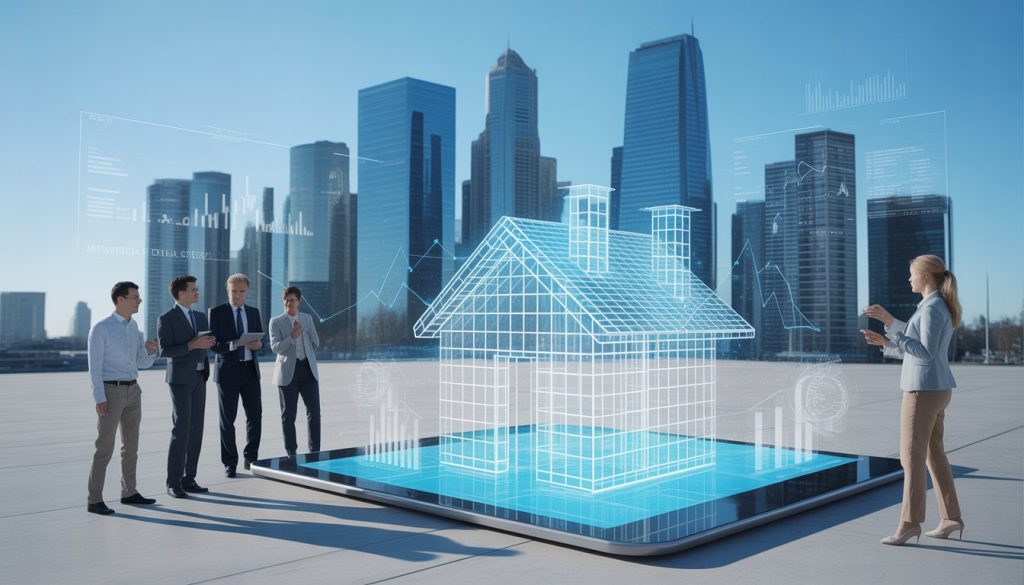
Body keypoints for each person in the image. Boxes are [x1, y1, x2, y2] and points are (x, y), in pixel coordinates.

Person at [861, 254, 964, 546]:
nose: (909, 279)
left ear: (927, 276)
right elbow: (917, 348)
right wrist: (888, 341)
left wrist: (892, 326)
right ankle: (951, 518)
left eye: (912, 274)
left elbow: (925, 352)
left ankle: (909, 524)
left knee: (911, 459)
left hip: (922, 392)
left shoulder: (932, 308)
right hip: (936, 388)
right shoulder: (934, 307)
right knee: (934, 455)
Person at [85, 281, 159, 515]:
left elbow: (141, 364)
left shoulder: (135, 328)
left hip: (133, 391)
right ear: (121, 299)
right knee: (104, 447)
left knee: (131, 447)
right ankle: (94, 499)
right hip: (111, 392)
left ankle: (129, 492)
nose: (139, 300)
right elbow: (94, 367)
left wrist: (151, 351)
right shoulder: (101, 328)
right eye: (135, 297)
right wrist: (99, 397)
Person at [158, 275, 215, 498]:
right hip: (180, 379)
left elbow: (206, 342)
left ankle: (189, 479)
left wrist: (210, 343)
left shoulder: (200, 317)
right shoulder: (166, 318)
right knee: (181, 429)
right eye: (193, 289)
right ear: (181, 294)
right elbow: (165, 351)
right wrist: (192, 345)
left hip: (200, 377)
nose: (197, 292)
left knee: (196, 430)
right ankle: (173, 482)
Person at [208, 274, 264, 477]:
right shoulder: (216, 312)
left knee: (255, 416)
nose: (237, 295)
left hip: (250, 370)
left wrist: (258, 345)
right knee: (227, 419)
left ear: (247, 292)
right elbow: (213, 345)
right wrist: (235, 343)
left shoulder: (253, 312)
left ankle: (252, 459)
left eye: (241, 291)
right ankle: (229, 462)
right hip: (227, 373)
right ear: (227, 290)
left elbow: (259, 340)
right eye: (234, 291)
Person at [269, 286, 321, 458]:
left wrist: (307, 346)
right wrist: (292, 336)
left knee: (314, 412)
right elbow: (276, 348)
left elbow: (316, 342)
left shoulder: (307, 318)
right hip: (287, 372)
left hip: (308, 369)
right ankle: (291, 452)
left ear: (299, 301)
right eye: (286, 300)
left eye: (292, 300)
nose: (288, 303)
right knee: (288, 415)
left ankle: (315, 452)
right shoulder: (276, 322)